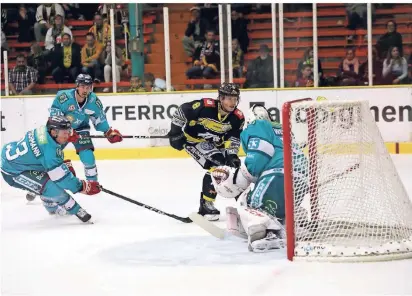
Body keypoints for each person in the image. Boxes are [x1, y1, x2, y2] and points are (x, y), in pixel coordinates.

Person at [210, 105, 308, 252]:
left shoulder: (258, 125)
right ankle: (292, 223)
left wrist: (239, 178)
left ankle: (268, 233)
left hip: (279, 172)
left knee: (254, 203)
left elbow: (260, 152)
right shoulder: (282, 128)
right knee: (276, 206)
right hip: (301, 176)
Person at [167, 83, 245, 221]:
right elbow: (181, 111)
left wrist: (232, 154)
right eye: (229, 98)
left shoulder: (237, 117)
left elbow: (234, 138)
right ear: (221, 98)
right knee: (217, 166)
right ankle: (206, 205)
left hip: (216, 143)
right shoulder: (204, 106)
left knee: (234, 168)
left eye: (235, 99)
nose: (232, 102)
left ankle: (244, 203)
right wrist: (175, 133)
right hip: (195, 141)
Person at [1, 116, 101, 223]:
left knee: (59, 173)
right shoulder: (50, 152)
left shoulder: (45, 131)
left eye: (69, 131)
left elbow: (48, 148)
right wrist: (83, 186)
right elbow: (62, 179)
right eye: (65, 133)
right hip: (13, 172)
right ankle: (74, 209)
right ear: (53, 132)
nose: (68, 135)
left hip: (17, 158)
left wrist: (66, 138)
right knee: (52, 188)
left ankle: (49, 203)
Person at [50, 73, 123, 182]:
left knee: (88, 157)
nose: (85, 90)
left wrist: (108, 132)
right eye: (83, 86)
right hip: (61, 131)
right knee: (50, 155)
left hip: (81, 129)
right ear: (77, 86)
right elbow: (54, 117)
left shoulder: (93, 101)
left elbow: (99, 118)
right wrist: (67, 131)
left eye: (88, 87)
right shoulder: (63, 97)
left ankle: (93, 183)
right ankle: (45, 183)